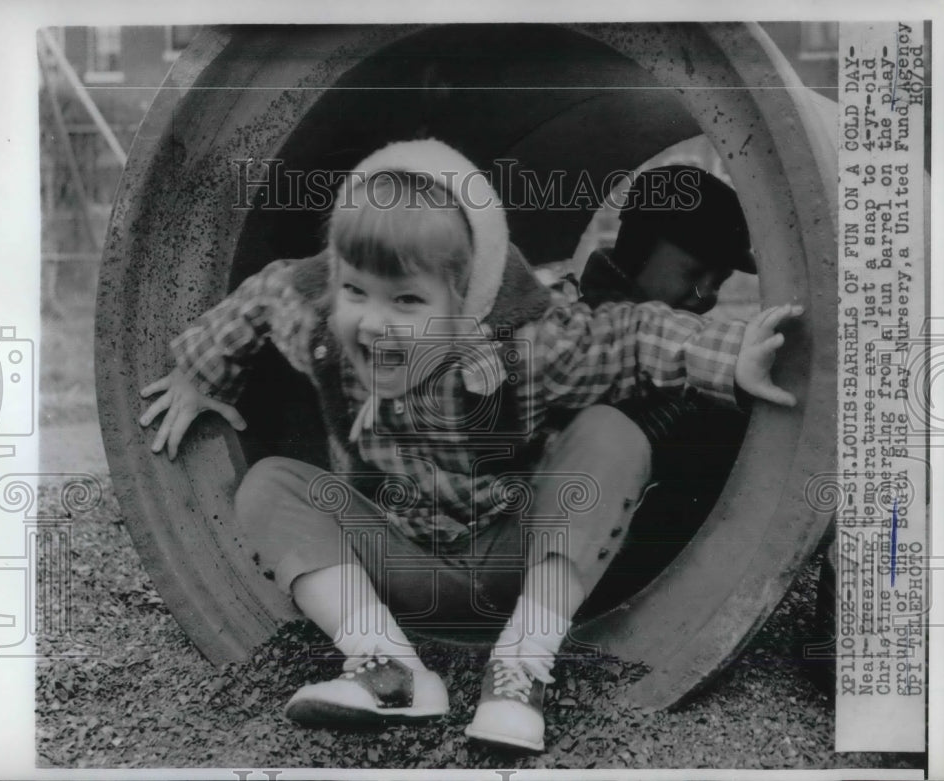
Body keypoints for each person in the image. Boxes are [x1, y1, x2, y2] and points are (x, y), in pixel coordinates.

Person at [139, 139, 802, 753]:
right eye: (356, 292)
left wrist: (729, 355)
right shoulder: (324, 320)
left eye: (407, 300)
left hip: (522, 544)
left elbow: (633, 337)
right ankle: (387, 669)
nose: (375, 322)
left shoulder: (531, 346)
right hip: (403, 557)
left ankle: (519, 670)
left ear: (467, 305)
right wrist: (200, 371)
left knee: (611, 434)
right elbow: (271, 290)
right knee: (271, 484)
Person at [570, 165, 761, 605]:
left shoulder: (676, 339)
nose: (706, 294)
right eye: (694, 272)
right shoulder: (592, 328)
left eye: (721, 280)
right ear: (637, 250)